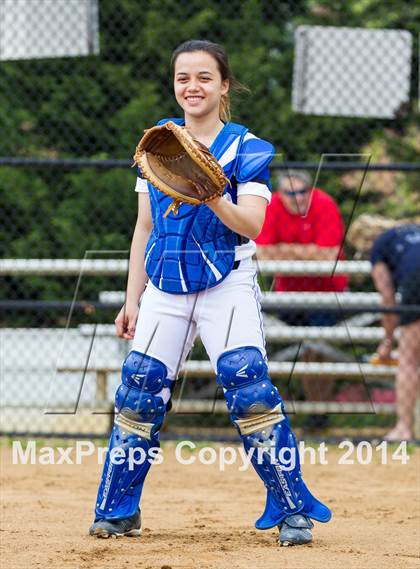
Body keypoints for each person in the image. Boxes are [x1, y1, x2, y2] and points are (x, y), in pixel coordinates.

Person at [89, 40, 331, 545]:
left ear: (224, 85)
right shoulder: (158, 144)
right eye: (182, 77)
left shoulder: (248, 148)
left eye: (203, 77)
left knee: (250, 390)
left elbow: (253, 225)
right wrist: (131, 300)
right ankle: (117, 510)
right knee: (138, 393)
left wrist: (213, 193)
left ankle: (291, 509)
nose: (191, 87)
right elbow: (144, 228)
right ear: (174, 85)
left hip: (228, 283)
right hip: (165, 285)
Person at [255, 172, 348, 405]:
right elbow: (263, 255)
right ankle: (285, 410)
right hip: (288, 295)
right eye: (291, 193)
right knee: (273, 351)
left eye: (303, 191)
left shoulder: (324, 204)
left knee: (316, 353)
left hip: (327, 294)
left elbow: (328, 257)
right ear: (280, 193)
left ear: (311, 189)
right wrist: (309, 252)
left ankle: (319, 410)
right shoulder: (272, 205)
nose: (298, 198)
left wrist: (284, 250)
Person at [370, 223, 420, 441]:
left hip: (417, 279)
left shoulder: (379, 245)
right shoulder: (412, 231)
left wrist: (388, 342)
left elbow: (387, 297)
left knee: (408, 359)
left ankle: (404, 428)